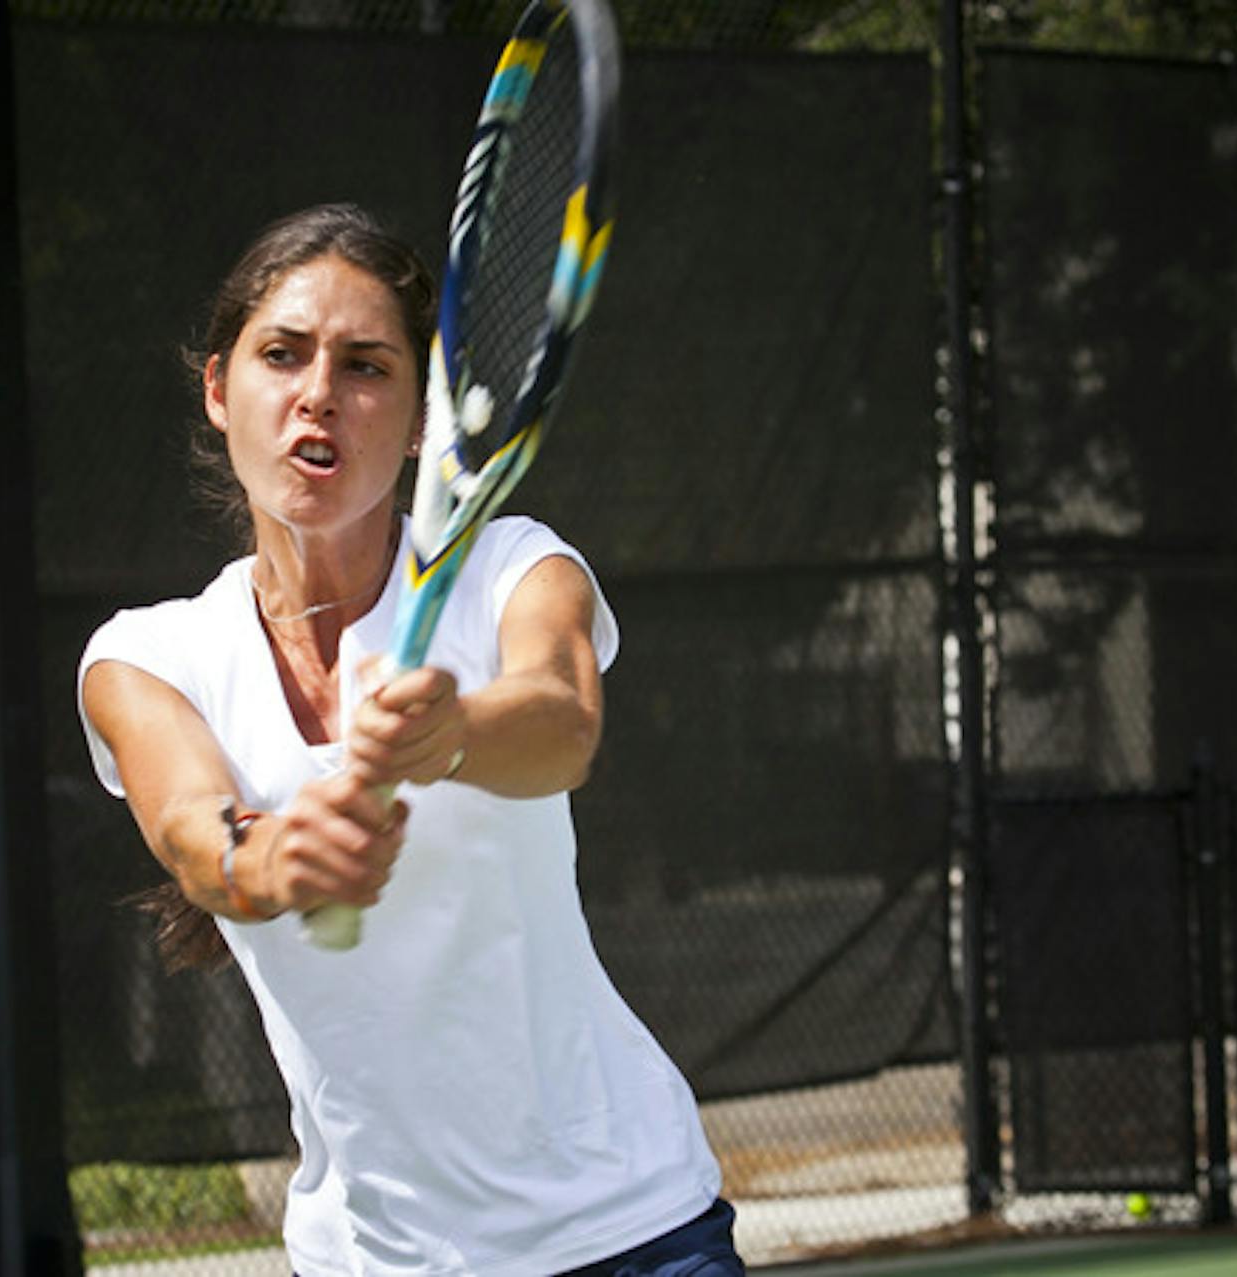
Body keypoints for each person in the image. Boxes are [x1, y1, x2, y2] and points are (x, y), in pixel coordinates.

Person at [77, 203, 740, 1276]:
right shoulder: (149, 656)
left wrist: (449, 729)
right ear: (216, 388)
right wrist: (270, 856)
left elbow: (561, 722)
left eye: (366, 366)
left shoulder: (512, 566)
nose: (317, 395)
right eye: (281, 355)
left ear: (423, 414)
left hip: (626, 1227)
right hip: (373, 1258)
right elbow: (194, 834)